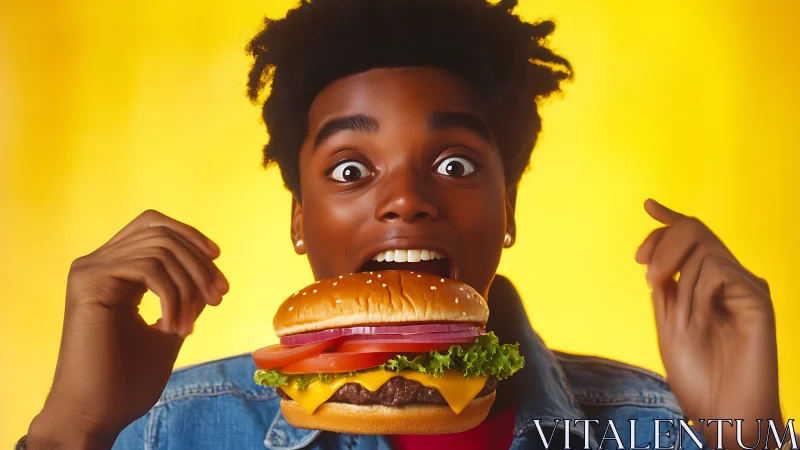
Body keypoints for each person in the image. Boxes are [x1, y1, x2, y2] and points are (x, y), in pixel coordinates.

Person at [23, 0, 785, 449]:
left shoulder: (661, 430)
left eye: (453, 163)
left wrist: (748, 438)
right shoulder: (173, 432)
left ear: (509, 210)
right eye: (351, 170)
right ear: (299, 220)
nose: (406, 200)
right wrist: (72, 430)